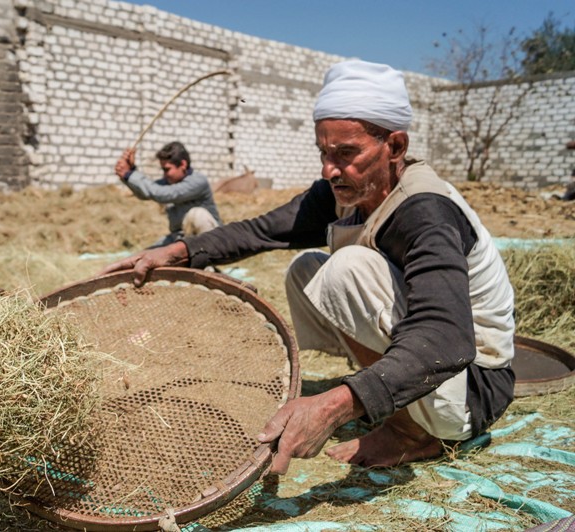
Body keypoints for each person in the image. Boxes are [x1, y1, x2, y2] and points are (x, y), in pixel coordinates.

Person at [100, 60, 516, 472]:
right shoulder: (347, 189)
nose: (329, 169)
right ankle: (390, 400)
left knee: (347, 268)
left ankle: (411, 432)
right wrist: (177, 252)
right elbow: (262, 230)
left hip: (469, 388)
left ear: (396, 147)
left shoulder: (426, 212)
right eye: (324, 153)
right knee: (307, 268)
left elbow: (447, 340)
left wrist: (334, 408)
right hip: (427, 365)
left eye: (346, 153)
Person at [114, 141, 222, 247]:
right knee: (142, 259)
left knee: (197, 214)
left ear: (183, 165)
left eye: (167, 169)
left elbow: (161, 194)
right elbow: (146, 193)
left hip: (212, 242)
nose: (164, 174)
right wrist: (128, 174)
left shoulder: (198, 181)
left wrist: (130, 174)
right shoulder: (169, 182)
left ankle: (207, 262)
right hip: (180, 238)